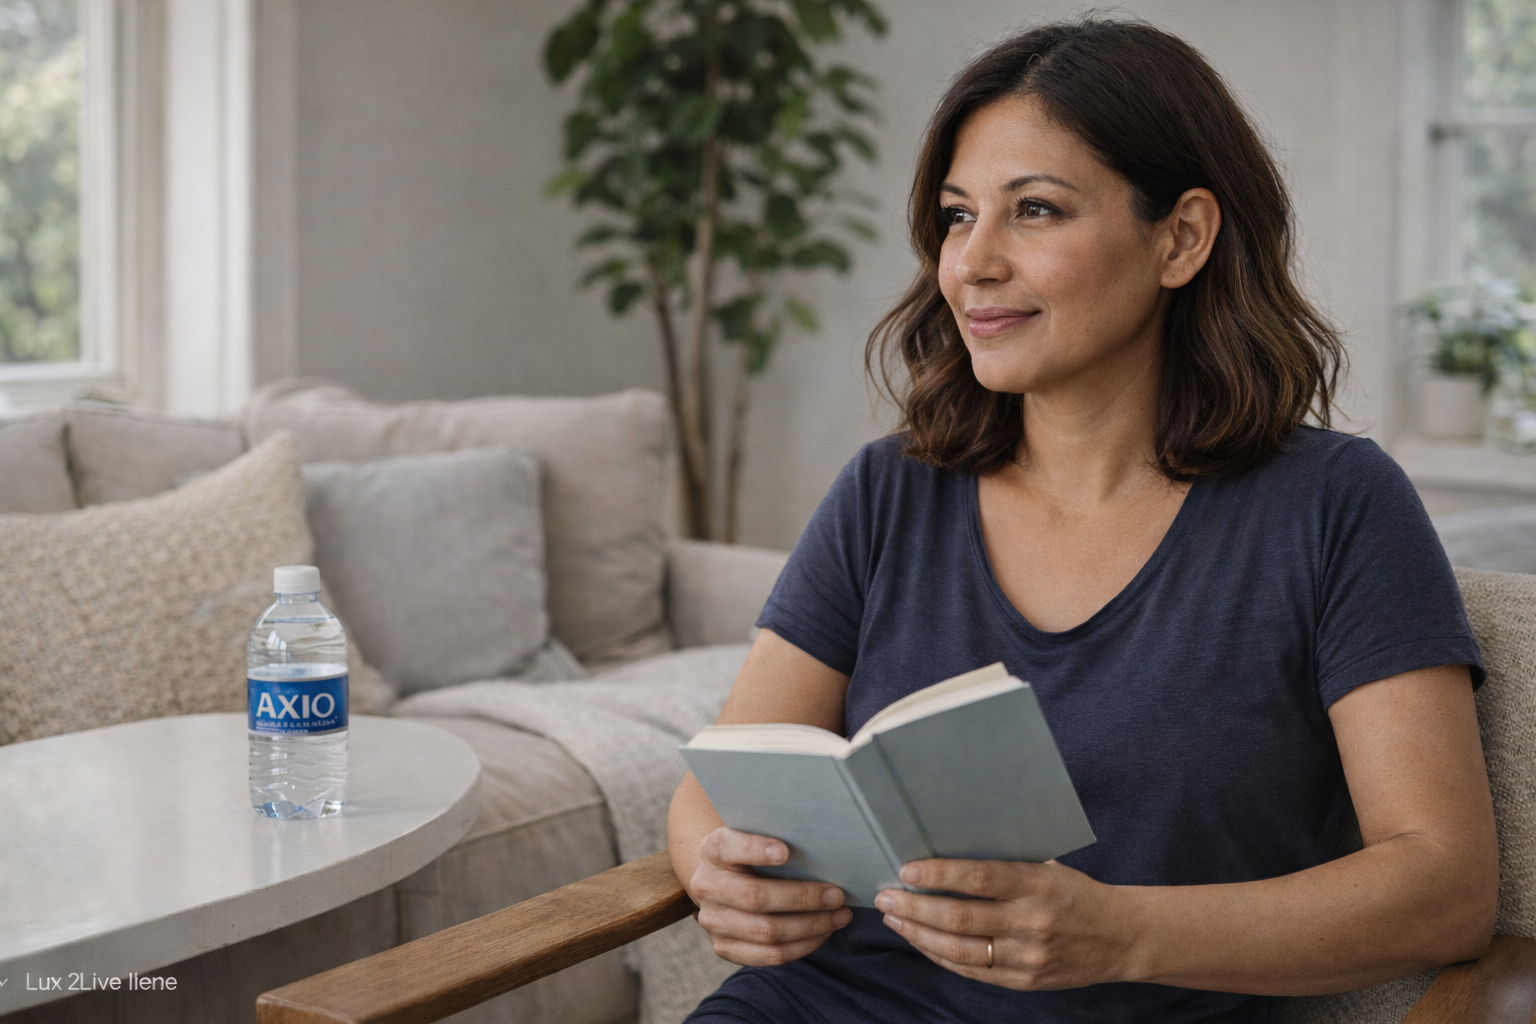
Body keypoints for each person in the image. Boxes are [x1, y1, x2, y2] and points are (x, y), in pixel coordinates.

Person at [666, 18, 1497, 1024]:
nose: (971, 263)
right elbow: (725, 774)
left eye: (1036, 211)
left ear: (1182, 236)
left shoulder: (1336, 507)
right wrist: (719, 873)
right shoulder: (891, 489)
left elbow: (1446, 888)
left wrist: (1123, 933)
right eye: (958, 215)